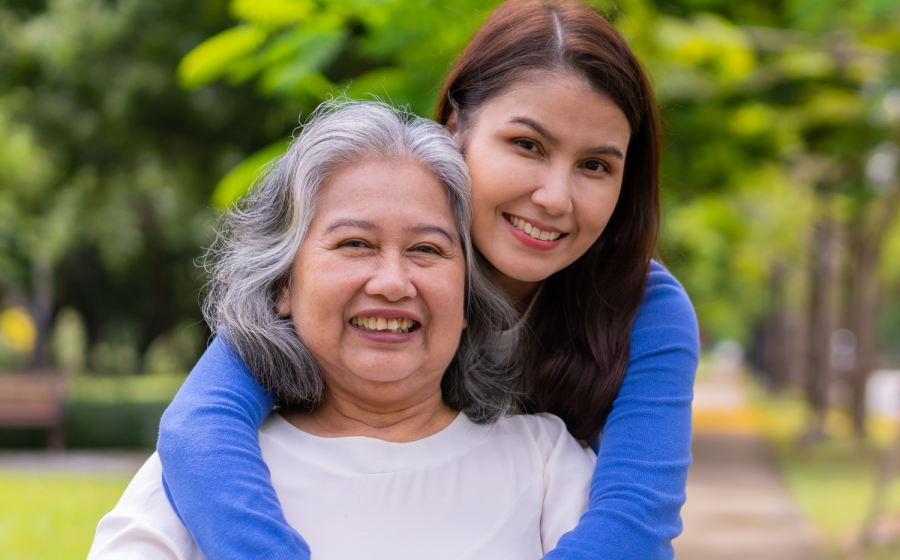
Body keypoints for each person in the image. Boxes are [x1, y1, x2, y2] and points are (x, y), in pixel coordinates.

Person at [158, 1, 700, 559]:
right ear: (455, 127)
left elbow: (634, 524)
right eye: (527, 145)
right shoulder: (364, 280)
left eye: (595, 166)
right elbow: (199, 430)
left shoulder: (644, 308)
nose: (555, 198)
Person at [88, 101, 597, 560]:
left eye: (427, 250)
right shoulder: (199, 474)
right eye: (355, 244)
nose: (394, 283)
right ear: (284, 283)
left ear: (468, 297)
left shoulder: (546, 463)